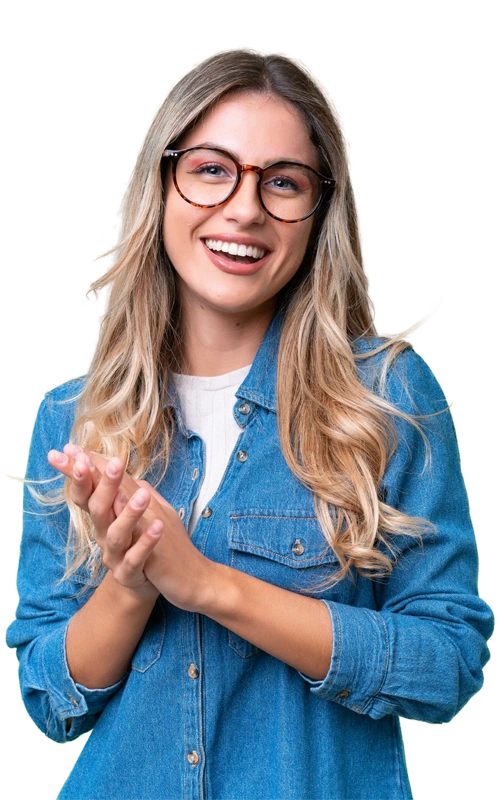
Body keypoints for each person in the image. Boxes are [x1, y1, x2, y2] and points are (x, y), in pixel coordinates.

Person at [4, 46, 495, 800]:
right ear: (161, 185)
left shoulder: (386, 396)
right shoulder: (77, 419)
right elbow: (53, 700)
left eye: (284, 182)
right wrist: (133, 583)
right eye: (210, 168)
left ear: (318, 211)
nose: (244, 208)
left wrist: (206, 585)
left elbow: (445, 663)